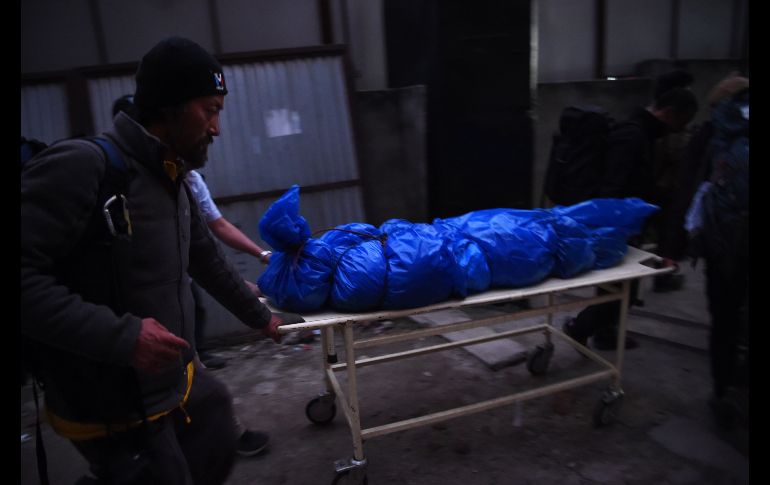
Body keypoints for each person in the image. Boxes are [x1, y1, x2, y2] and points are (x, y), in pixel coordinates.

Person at [22, 36, 302, 484]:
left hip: (172, 382)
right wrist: (123, 336)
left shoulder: (172, 176)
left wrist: (260, 317)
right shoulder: (83, 167)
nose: (216, 128)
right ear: (170, 107)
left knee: (213, 417)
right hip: (114, 401)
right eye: (209, 111)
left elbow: (204, 258)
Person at [563, 87, 698, 351]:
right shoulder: (632, 135)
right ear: (669, 113)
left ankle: (604, 332)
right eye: (681, 122)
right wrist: (612, 229)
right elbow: (613, 187)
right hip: (616, 225)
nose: (680, 130)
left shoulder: (640, 132)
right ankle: (579, 327)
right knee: (616, 288)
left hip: (624, 223)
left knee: (622, 287)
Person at [685, 80, 749, 427]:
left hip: (724, 245)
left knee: (723, 318)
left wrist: (675, 246)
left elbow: (692, 186)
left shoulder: (715, 136)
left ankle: (723, 390)